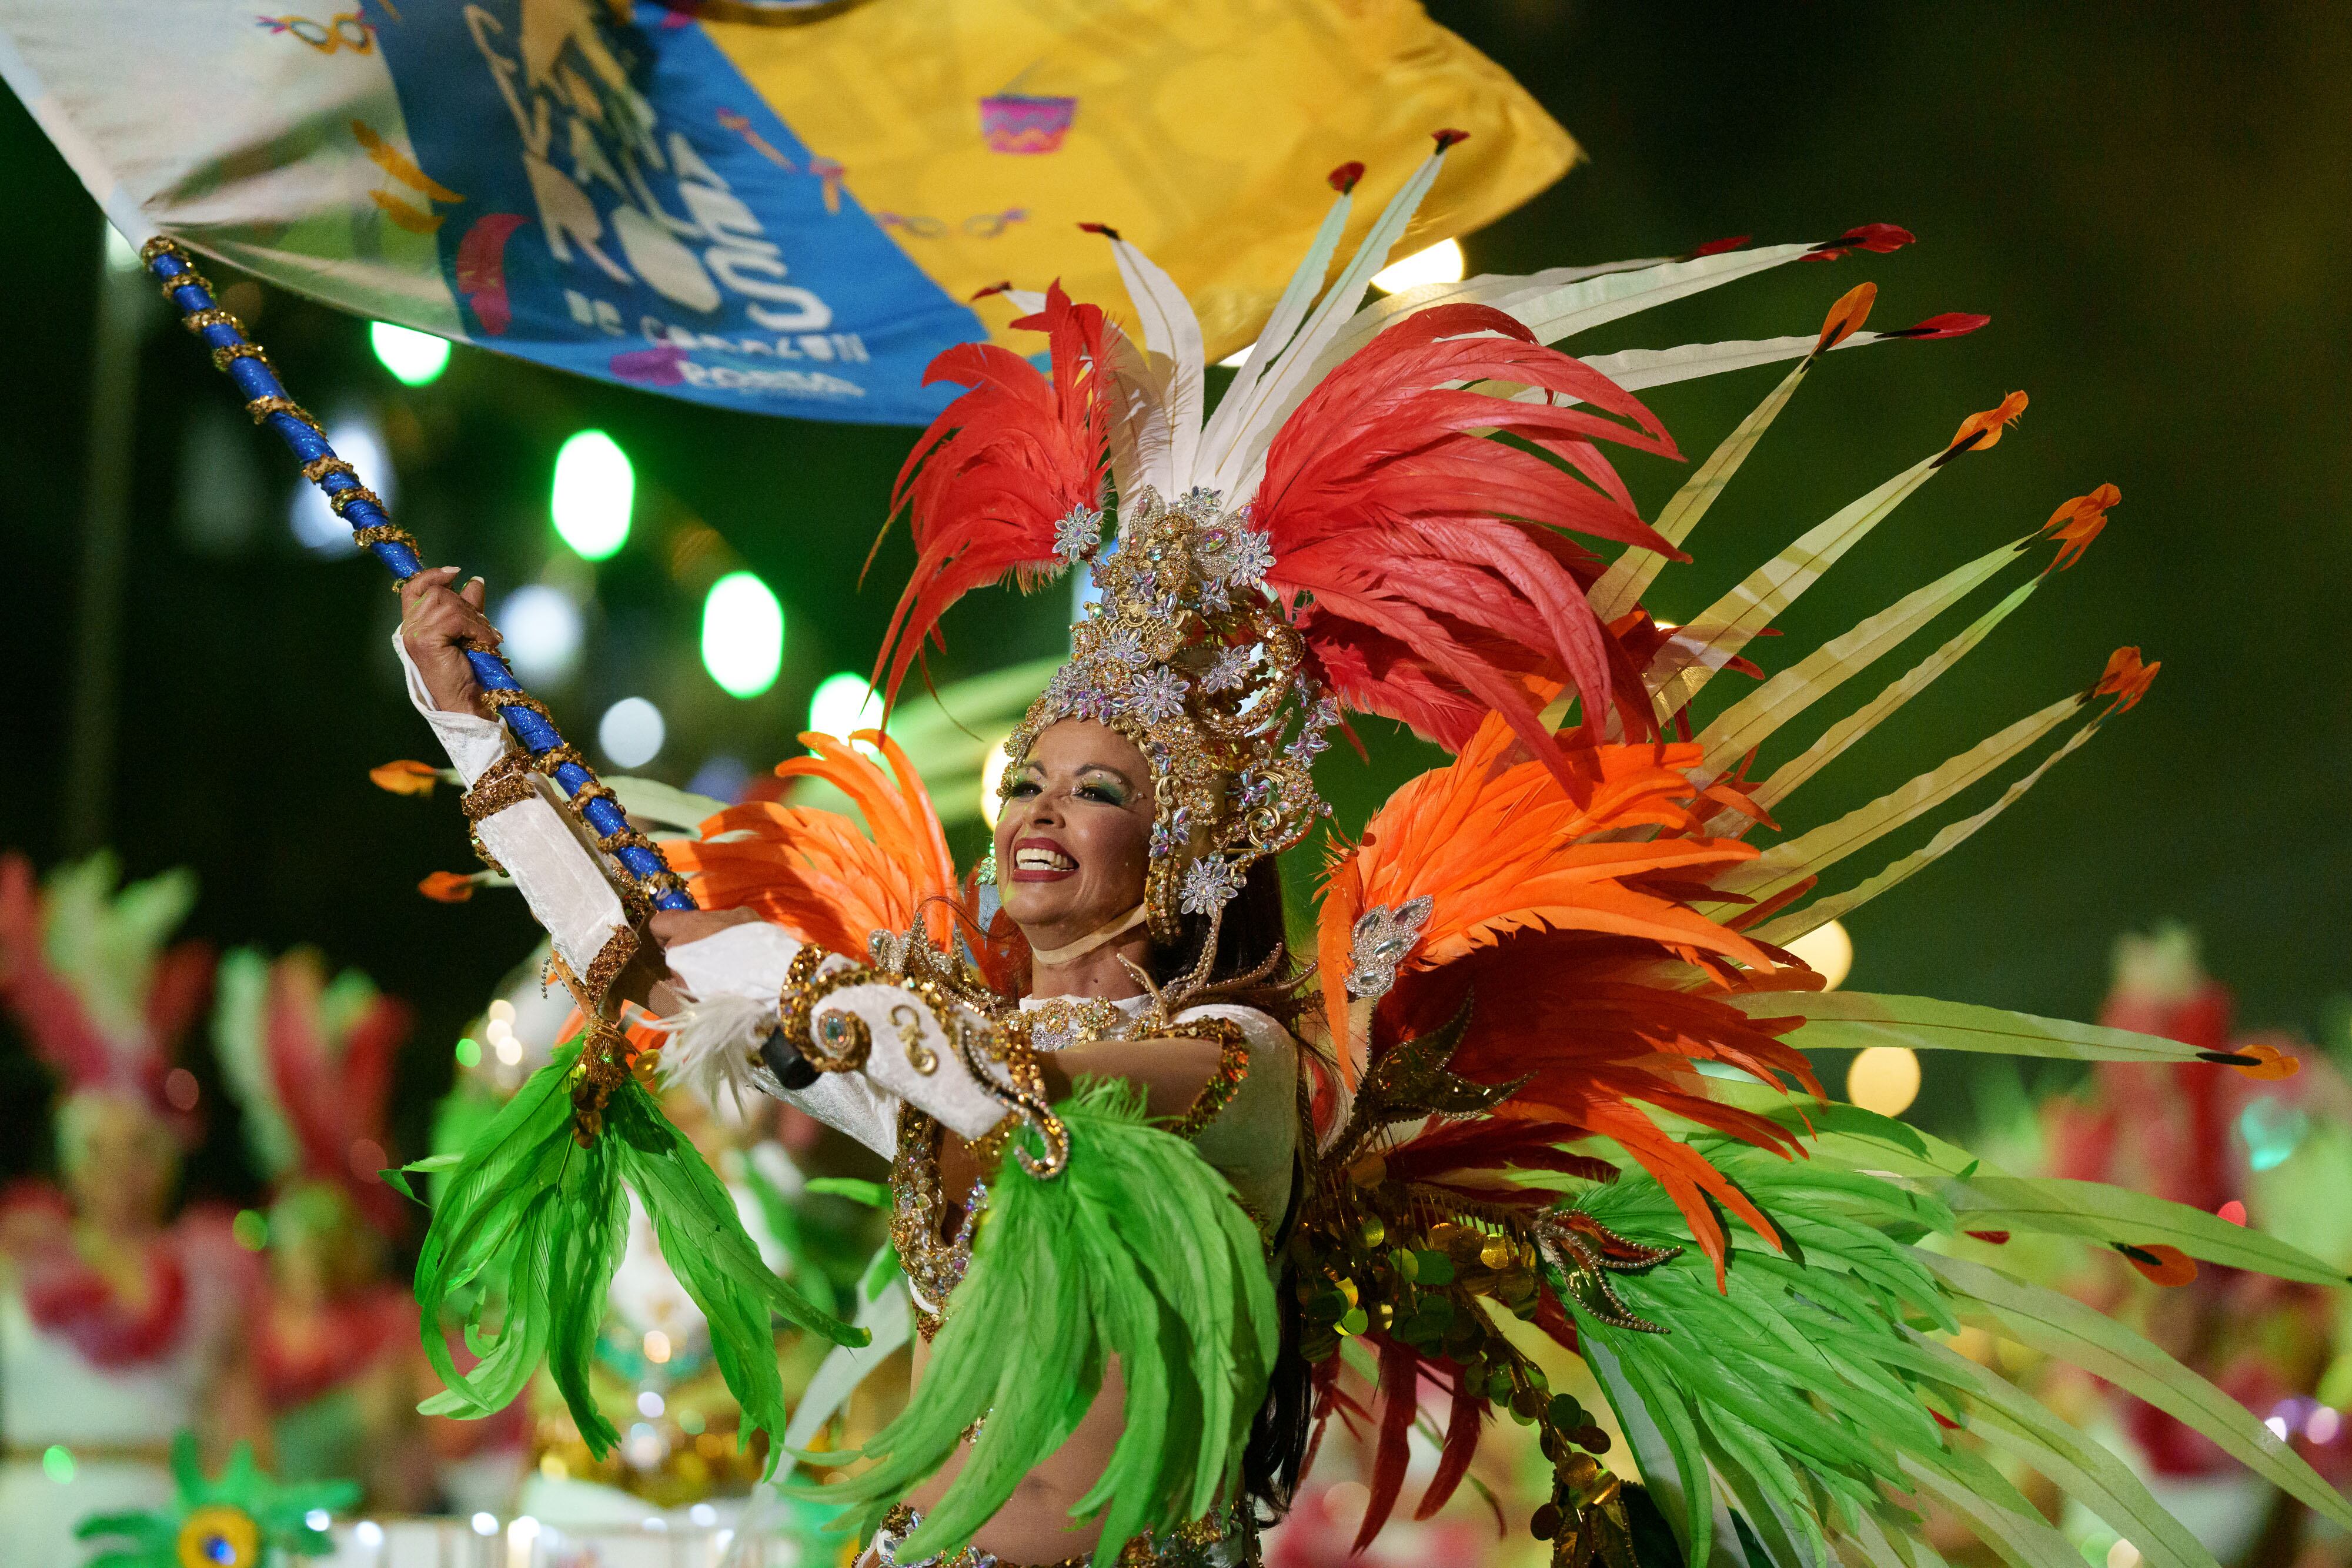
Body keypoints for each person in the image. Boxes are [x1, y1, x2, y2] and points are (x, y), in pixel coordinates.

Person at [396, 137, 2344, 1568]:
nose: (1023, 804)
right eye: (1027, 776)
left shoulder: (1236, 1074)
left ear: (1194, 841)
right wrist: (471, 719)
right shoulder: (938, 1043)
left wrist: (810, 1001)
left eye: (1088, 788)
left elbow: (998, 1074)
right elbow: (655, 960)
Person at [0, 852, 259, 1568]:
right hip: (23, 1527)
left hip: (165, 1533)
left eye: (138, 1148)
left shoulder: (211, 1276)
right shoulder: (11, 1260)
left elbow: (239, 1437)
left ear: (167, 1161)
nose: (120, 1170)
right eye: (100, 1149)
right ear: (69, 1157)